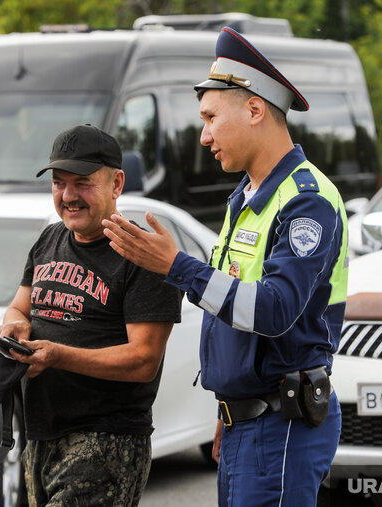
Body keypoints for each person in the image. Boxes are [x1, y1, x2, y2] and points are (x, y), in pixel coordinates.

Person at [102, 27, 348, 506]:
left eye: (211, 117)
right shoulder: (249, 195)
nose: (203, 134)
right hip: (247, 421)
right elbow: (233, 308)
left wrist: (177, 266)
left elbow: (273, 311)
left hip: (282, 424)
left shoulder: (306, 201)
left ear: (254, 109)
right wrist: (229, 407)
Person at [0, 124, 183, 506]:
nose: (68, 196)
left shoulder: (142, 254)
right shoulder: (50, 239)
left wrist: (57, 355)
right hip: (39, 436)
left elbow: (143, 360)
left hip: (105, 441)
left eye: (82, 183)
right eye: (59, 183)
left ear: (116, 183)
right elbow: (18, 306)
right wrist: (15, 326)